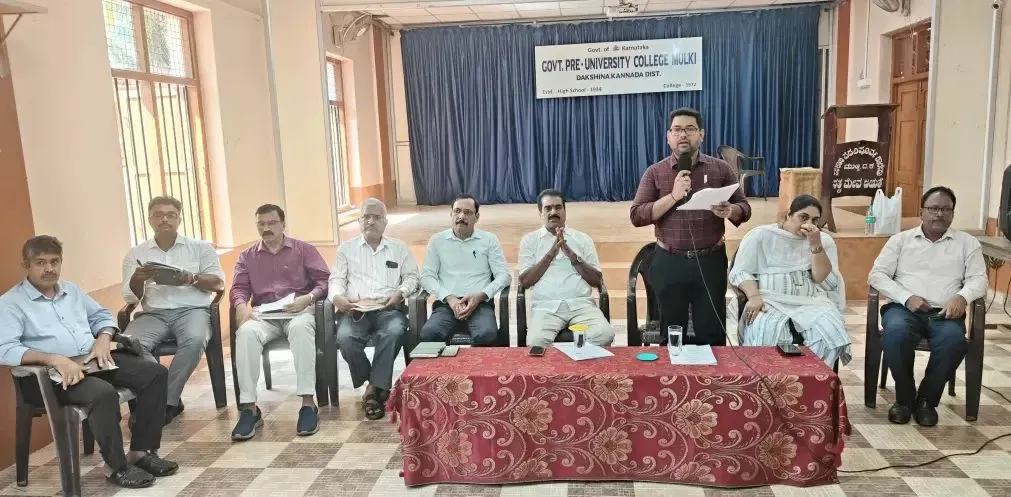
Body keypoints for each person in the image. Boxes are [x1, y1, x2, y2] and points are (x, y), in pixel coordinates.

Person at [0, 236, 177, 489]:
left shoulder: (71, 290)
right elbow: (5, 349)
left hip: (91, 360)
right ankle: (116, 466)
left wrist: (103, 339)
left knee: (155, 374)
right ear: (26, 265)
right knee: (102, 394)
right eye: (40, 262)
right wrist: (55, 359)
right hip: (50, 376)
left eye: (54, 261)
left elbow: (101, 316)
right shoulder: (11, 303)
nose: (49, 268)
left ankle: (140, 452)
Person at [630, 108, 752, 345]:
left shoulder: (721, 169)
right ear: (668, 137)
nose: (683, 135)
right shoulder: (655, 172)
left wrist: (731, 210)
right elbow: (637, 215)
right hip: (669, 261)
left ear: (701, 134)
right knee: (671, 335)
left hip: (710, 261)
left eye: (690, 129)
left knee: (711, 333)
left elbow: (744, 208)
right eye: (677, 130)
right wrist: (673, 196)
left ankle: (710, 370)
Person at [868, 186, 987, 427]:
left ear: (952, 213)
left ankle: (926, 402)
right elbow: (877, 275)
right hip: (904, 310)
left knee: (954, 342)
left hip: (944, 313)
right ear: (921, 212)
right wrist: (906, 297)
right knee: (895, 335)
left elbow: (979, 280)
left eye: (946, 209)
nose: (939, 214)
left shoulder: (967, 243)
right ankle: (904, 400)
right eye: (933, 208)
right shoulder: (900, 240)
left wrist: (962, 297)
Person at [121, 196, 225, 424]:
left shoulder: (200, 248)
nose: (165, 220)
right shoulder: (136, 253)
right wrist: (137, 279)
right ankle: (163, 395)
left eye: (171, 215)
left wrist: (193, 278)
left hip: (192, 311)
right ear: (150, 220)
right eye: (158, 215)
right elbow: (129, 297)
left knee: (195, 340)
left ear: (180, 219)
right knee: (129, 345)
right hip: (153, 314)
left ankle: (166, 402)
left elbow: (219, 283)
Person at [229, 204, 330, 440]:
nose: (266, 228)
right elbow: (239, 288)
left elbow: (325, 281)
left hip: (298, 311)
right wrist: (241, 305)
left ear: (283, 224)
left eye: (272, 223)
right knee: (245, 334)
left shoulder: (304, 250)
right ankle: (249, 408)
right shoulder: (247, 256)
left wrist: (309, 298)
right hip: (265, 315)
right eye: (261, 224)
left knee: (302, 329)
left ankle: (308, 404)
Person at [729, 195, 851, 367]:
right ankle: (771, 381)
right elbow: (741, 271)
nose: (809, 224)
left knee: (830, 332)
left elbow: (820, 278)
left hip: (810, 302)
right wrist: (754, 296)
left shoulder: (822, 240)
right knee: (767, 331)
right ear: (789, 215)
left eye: (815, 220)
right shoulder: (761, 236)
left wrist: (815, 244)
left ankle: (811, 378)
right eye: (803, 217)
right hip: (769, 300)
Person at [329, 198, 419, 420]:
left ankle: (372, 391)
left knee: (395, 332)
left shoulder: (399, 248)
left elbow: (412, 277)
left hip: (388, 309)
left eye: (376, 217)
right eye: (366, 217)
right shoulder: (346, 249)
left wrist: (401, 293)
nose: (371, 221)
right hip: (355, 311)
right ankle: (376, 384)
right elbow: (336, 279)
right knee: (346, 339)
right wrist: (338, 297)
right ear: (359, 221)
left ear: (385, 222)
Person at [518, 189, 613, 347]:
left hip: (581, 305)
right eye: (548, 208)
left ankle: (573, 358)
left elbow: (597, 280)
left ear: (565, 210)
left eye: (558, 207)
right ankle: (570, 357)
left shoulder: (582, 239)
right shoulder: (530, 241)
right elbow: (525, 281)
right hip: (546, 308)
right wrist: (550, 254)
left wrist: (572, 256)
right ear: (540, 212)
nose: (553, 212)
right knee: (536, 342)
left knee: (605, 334)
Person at [420, 194, 510, 345]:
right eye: (457, 211)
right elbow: (426, 277)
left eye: (467, 212)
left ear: (477, 217)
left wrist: (481, 295)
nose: (461, 216)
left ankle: (476, 362)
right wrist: (449, 298)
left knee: (487, 335)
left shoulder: (489, 240)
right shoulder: (437, 241)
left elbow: (504, 276)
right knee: (430, 334)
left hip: (479, 304)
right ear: (451, 214)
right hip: (447, 305)